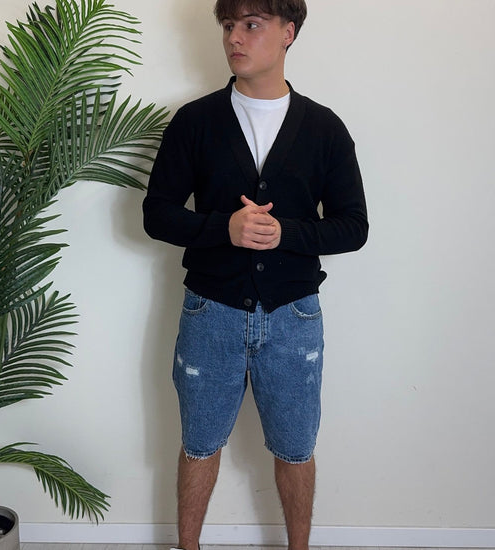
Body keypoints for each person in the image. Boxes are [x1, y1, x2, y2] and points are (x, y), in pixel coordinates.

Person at [143, 1, 368, 549]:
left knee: (296, 447)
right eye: (228, 26)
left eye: (251, 25)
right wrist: (224, 227)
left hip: (294, 316)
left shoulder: (324, 128)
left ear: (288, 33)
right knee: (199, 442)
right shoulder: (195, 121)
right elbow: (157, 214)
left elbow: (353, 227)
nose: (234, 38)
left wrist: (284, 233)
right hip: (210, 310)